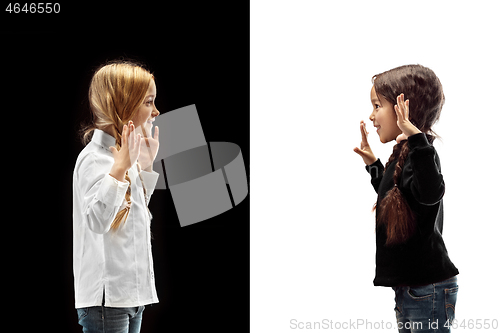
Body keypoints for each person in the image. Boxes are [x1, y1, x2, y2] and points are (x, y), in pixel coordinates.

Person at [353, 64, 459, 333]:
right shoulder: (405, 153)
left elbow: (431, 192)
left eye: (378, 106)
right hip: (413, 288)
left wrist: (417, 139)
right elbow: (395, 198)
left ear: (404, 109)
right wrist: (373, 164)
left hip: (428, 289)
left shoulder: (422, 154)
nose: (372, 116)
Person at [73, 60, 160, 332]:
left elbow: (130, 215)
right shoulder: (93, 159)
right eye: (148, 102)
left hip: (130, 295)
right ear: (123, 103)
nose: (156, 111)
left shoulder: (125, 155)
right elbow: (98, 221)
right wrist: (121, 169)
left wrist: (144, 166)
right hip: (106, 301)